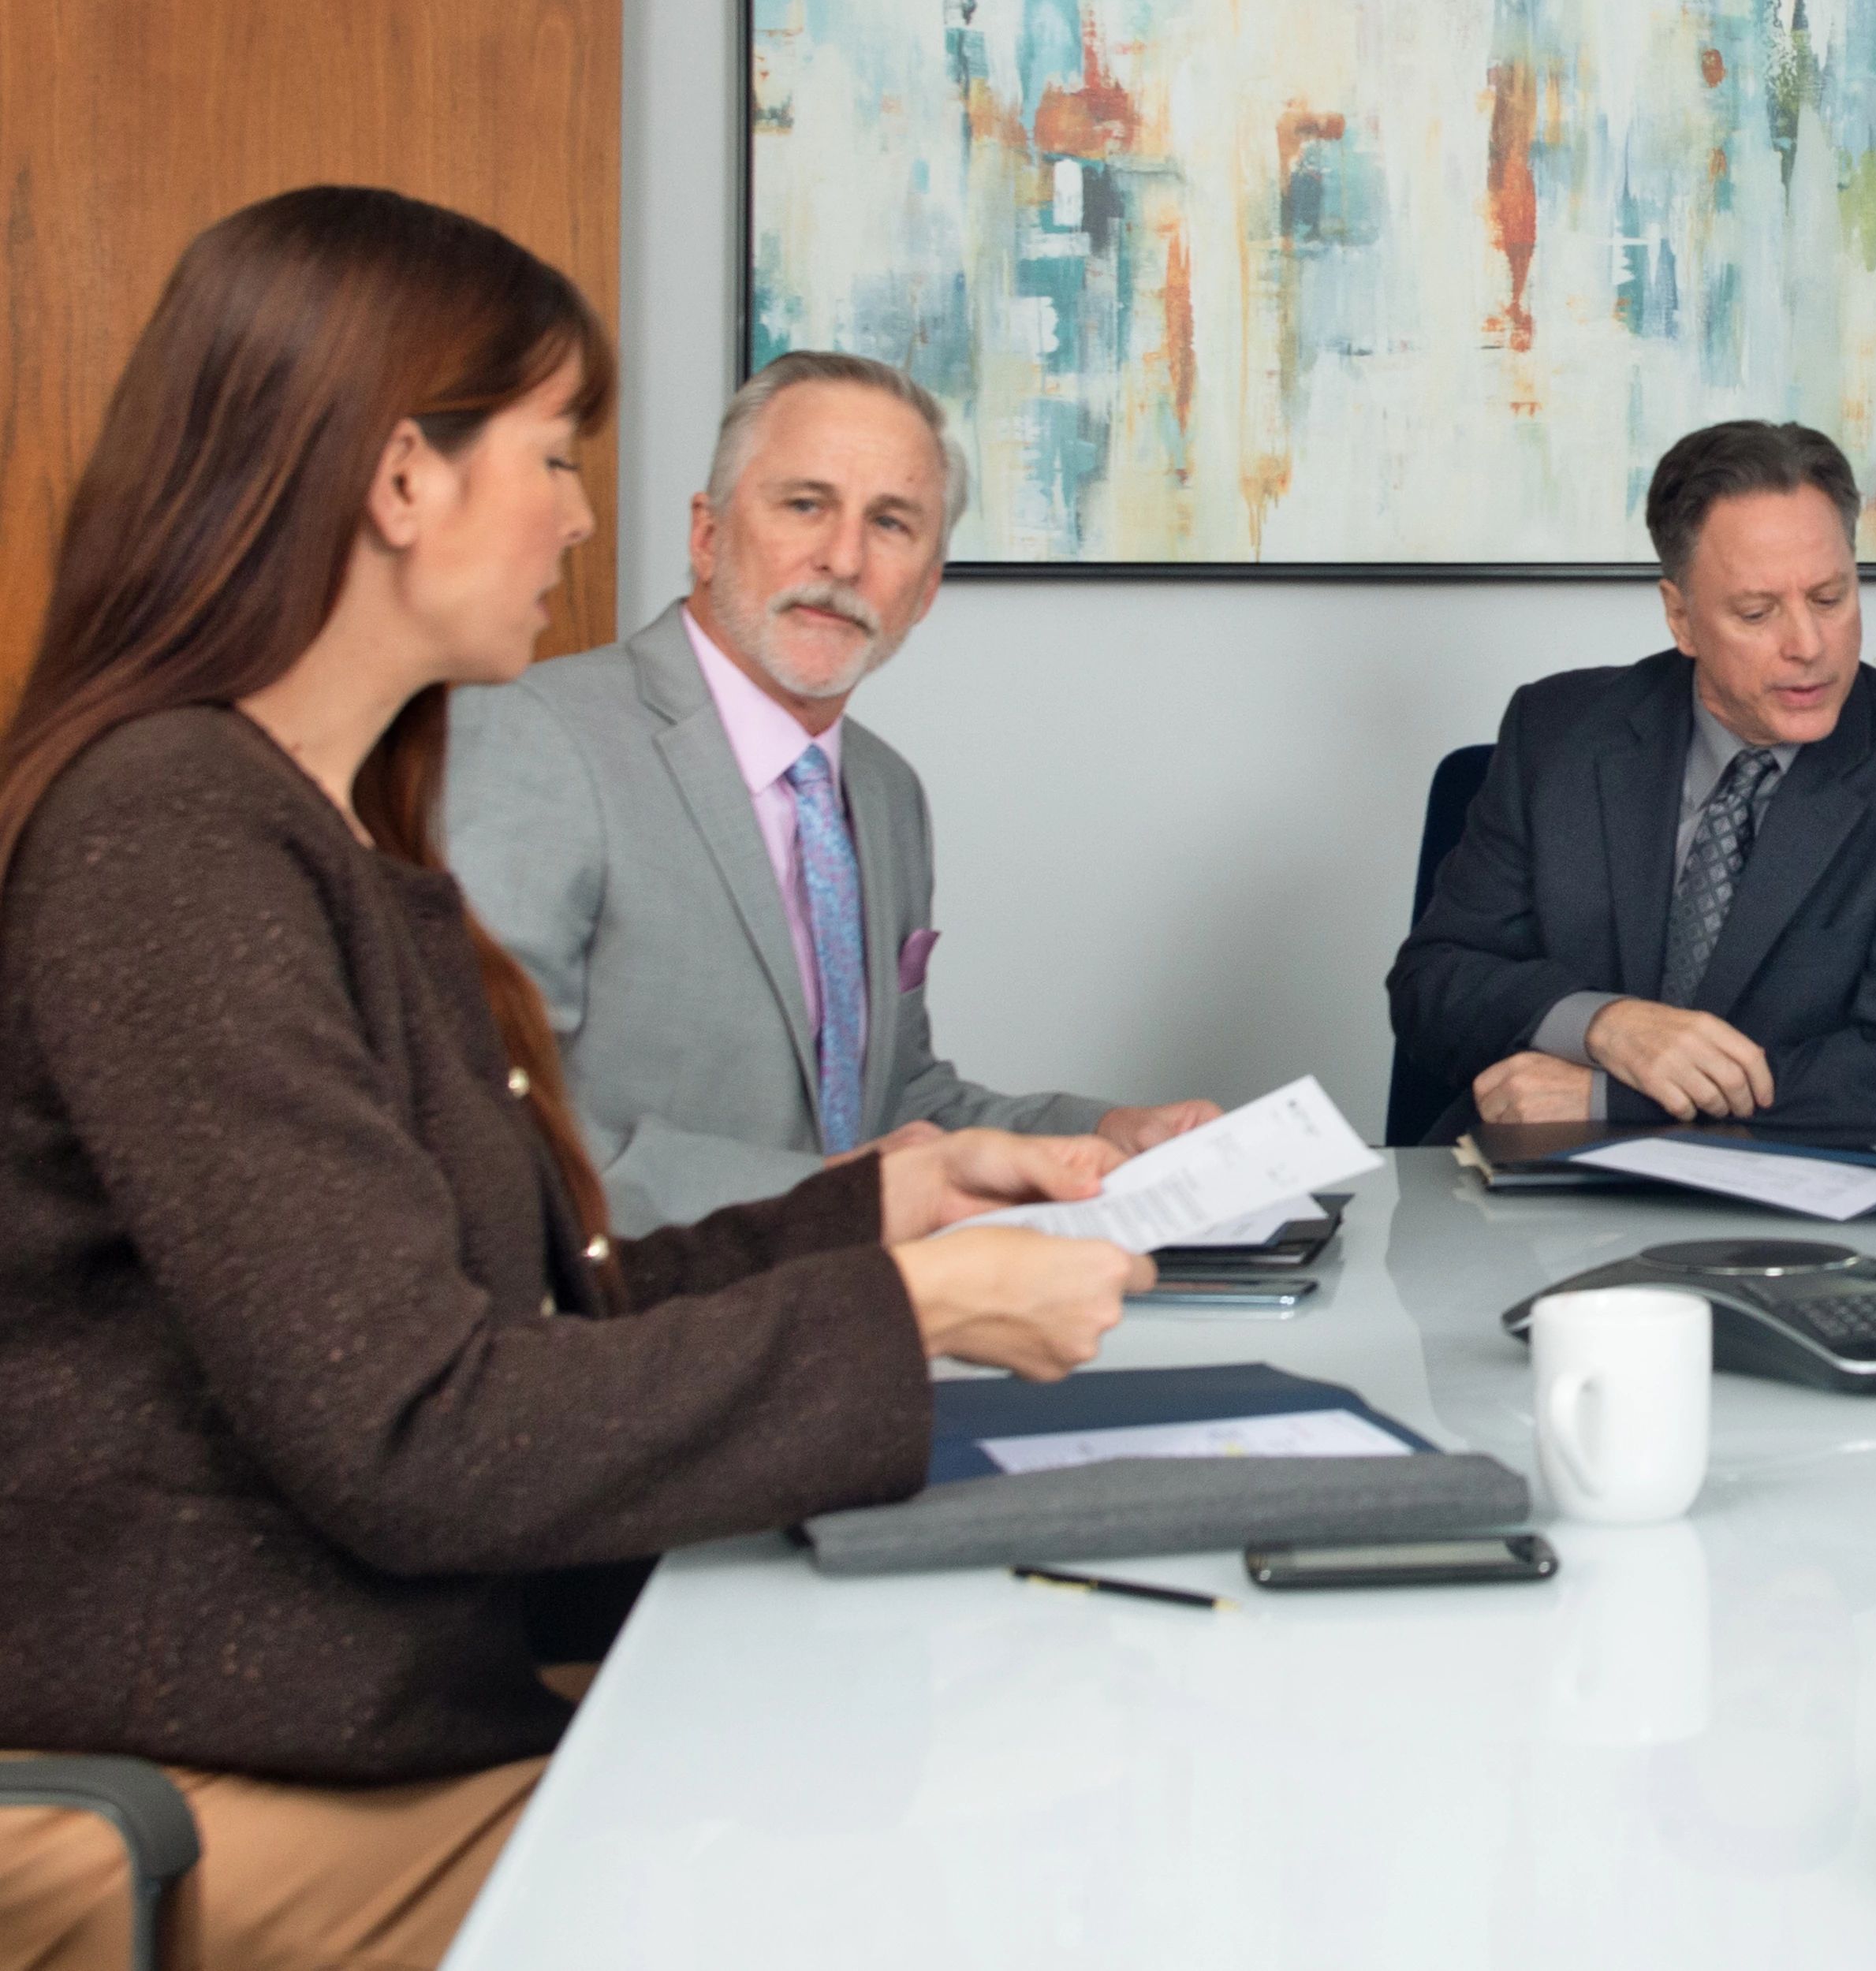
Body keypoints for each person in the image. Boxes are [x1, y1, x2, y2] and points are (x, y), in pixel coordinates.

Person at [0, 191, 1151, 1971]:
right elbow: (424, 1431)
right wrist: (907, 1305)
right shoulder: (172, 839)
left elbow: (545, 1303)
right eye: (550, 454)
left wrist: (882, 1201)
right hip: (215, 1746)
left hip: (371, 1673)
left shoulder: (326, 828)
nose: (582, 515)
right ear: (402, 481)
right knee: (920, 1864)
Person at [444, 351, 1218, 1231]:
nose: (843, 558)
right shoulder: (535, 737)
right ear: (707, 533)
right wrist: (847, 1199)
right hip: (631, 1332)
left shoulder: (886, 792)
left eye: (891, 523)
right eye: (805, 503)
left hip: (845, 1321)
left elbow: (886, 1102)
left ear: (925, 589)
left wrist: (1103, 1133)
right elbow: (477, 1122)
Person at [1386, 419, 1876, 1141]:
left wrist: (1611, 1101)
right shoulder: (1557, 733)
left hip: (1786, 1217)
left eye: (1829, 598)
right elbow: (1431, 989)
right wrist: (1602, 1024)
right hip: (1518, 1208)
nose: (1808, 647)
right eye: (1756, 612)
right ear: (1680, 618)